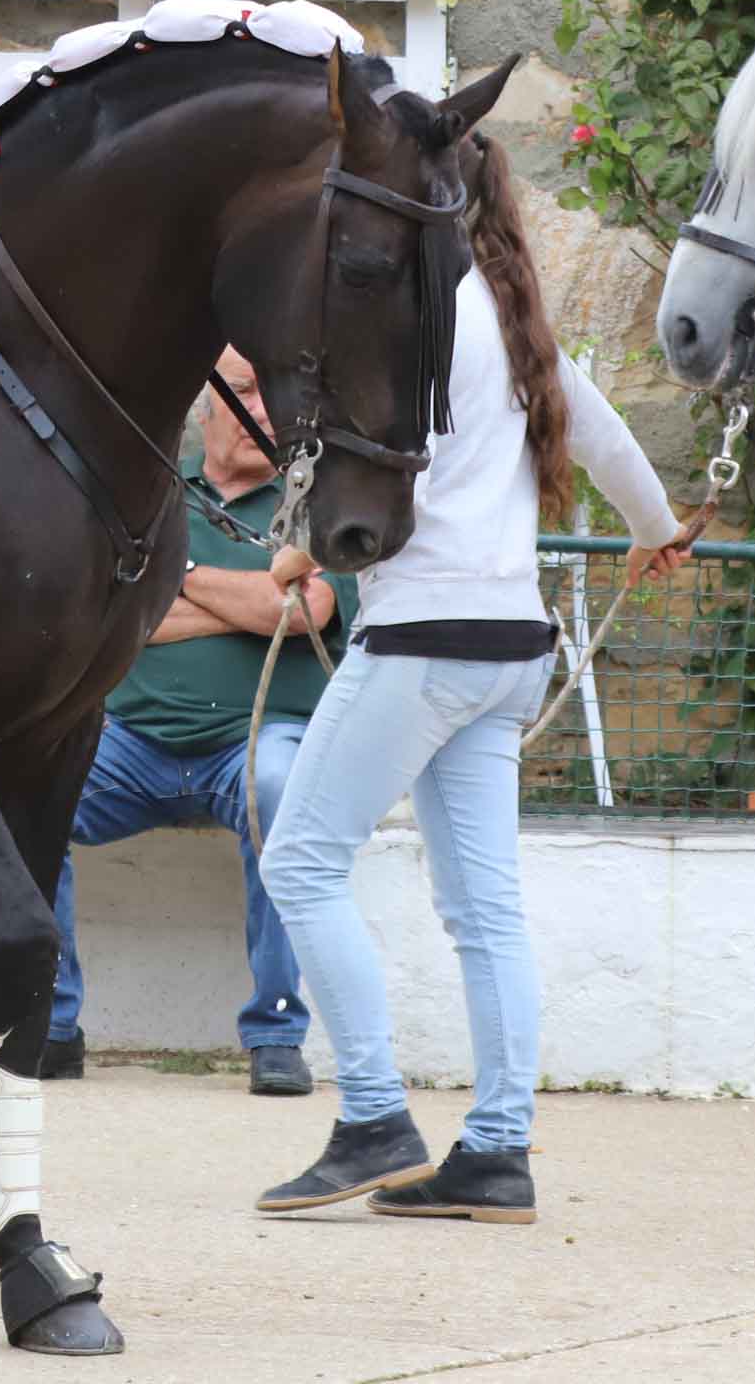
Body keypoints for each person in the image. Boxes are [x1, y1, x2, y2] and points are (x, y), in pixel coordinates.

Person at [255, 134, 694, 1225]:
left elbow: (374, 471)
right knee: (486, 911)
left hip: (422, 633)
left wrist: (301, 548)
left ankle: (373, 1117)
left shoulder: (409, 317)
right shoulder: (524, 326)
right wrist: (657, 532)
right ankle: (496, 1150)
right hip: (510, 639)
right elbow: (609, 442)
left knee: (301, 860)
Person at [41, 350, 354, 1095]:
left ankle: (276, 1034)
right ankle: (47, 1023)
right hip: (130, 743)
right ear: (204, 406)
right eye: (243, 391)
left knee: (282, 789)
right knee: (30, 796)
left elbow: (305, 609)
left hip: (256, 740)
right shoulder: (148, 496)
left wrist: (173, 581)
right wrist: (244, 600)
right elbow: (115, 619)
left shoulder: (310, 502)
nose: (261, 412)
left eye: (271, 394)